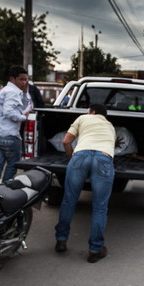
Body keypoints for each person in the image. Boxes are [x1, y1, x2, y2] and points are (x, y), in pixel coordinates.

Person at [54, 103, 116, 263]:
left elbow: (66, 141)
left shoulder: (83, 118)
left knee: (69, 200)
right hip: (103, 158)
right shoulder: (110, 126)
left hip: (80, 156)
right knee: (100, 207)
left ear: (91, 112)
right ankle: (95, 250)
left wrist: (71, 158)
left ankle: (61, 240)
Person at [0, 66, 31, 188]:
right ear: (13, 79)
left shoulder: (6, 90)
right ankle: (3, 192)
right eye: (21, 79)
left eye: (26, 79)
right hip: (9, 135)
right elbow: (9, 112)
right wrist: (24, 118)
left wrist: (25, 92)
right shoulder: (12, 92)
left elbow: (21, 105)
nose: (24, 82)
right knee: (12, 165)